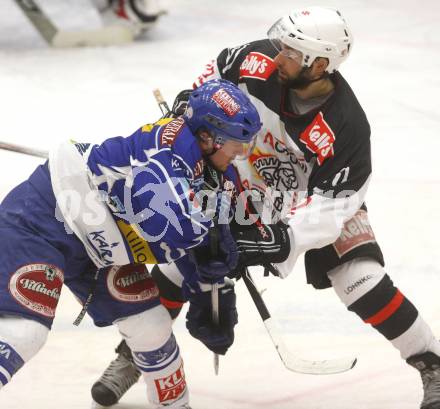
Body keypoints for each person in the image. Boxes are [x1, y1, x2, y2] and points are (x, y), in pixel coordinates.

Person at [92, 6, 440, 409]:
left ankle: (431, 364)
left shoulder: (347, 125)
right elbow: (210, 83)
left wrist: (280, 240)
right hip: (240, 182)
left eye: (290, 52)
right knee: (180, 258)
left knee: (359, 278)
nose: (277, 56)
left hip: (310, 206)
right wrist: (189, 111)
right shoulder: (256, 61)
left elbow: (334, 208)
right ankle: (135, 356)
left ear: (320, 64)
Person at [0, 79, 277, 409]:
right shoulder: (169, 146)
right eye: (236, 144)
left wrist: (211, 287)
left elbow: (203, 241)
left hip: (103, 252)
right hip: (46, 220)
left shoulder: (219, 173)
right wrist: (213, 238)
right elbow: (166, 225)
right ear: (207, 136)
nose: (241, 154)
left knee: (152, 328)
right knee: (23, 333)